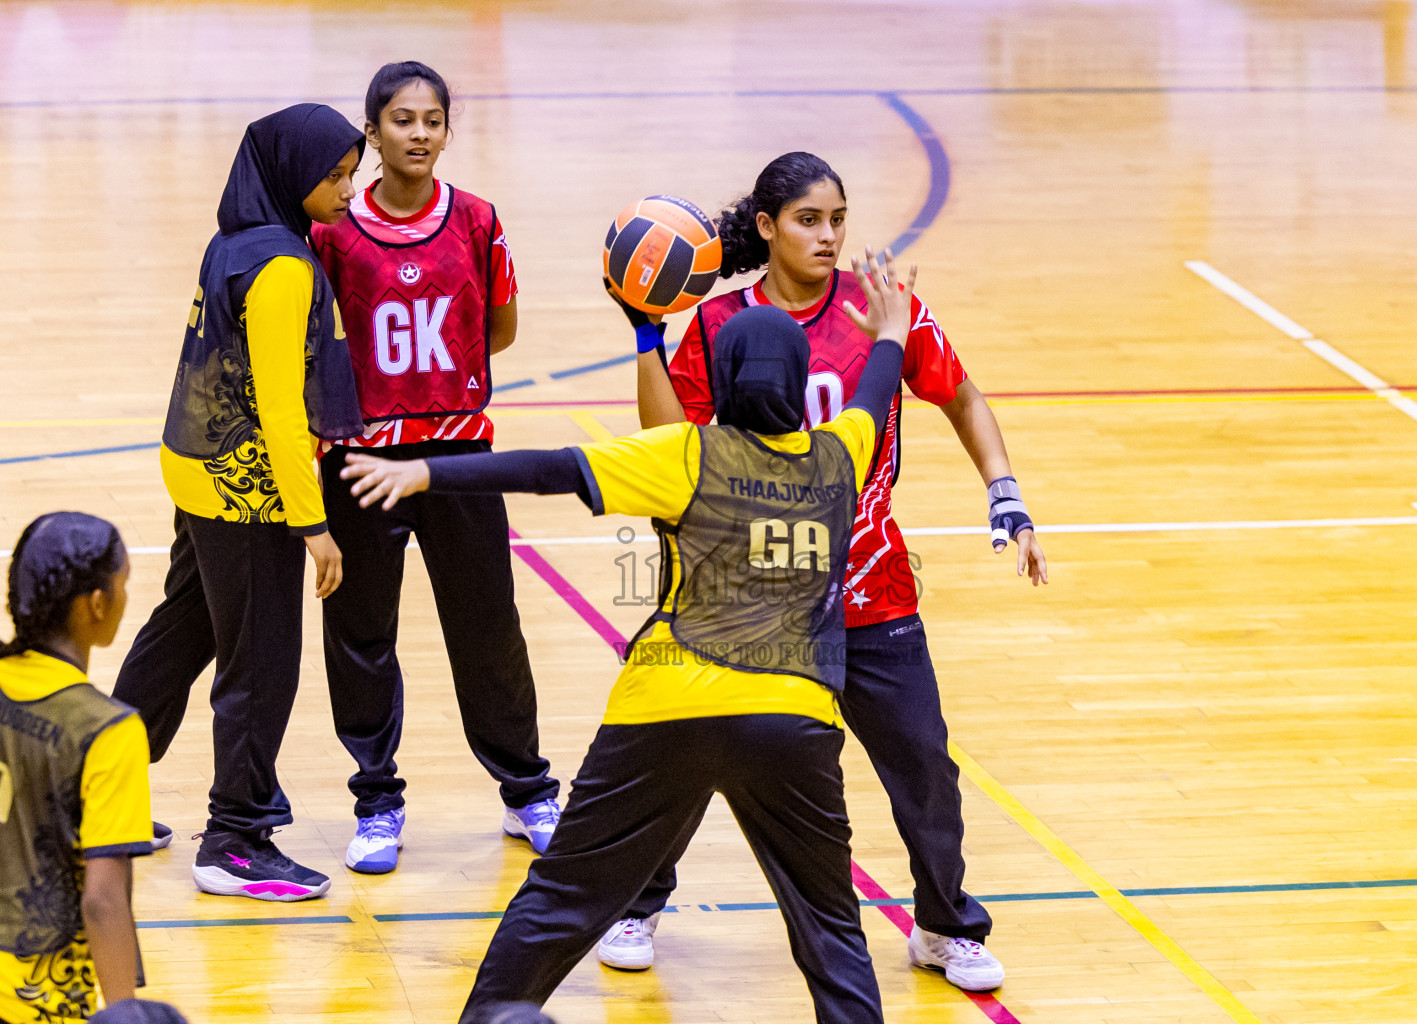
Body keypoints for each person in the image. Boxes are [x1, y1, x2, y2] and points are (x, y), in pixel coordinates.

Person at [341, 251, 917, 1024]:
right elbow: (875, 391)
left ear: (728, 377)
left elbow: (549, 468)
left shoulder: (685, 453)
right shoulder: (840, 454)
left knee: (561, 899)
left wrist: (426, 475)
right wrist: (891, 327)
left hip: (665, 708)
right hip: (794, 719)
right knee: (831, 927)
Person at [620, 152, 1047, 992]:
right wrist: (646, 338)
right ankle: (640, 902)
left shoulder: (882, 311)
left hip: (870, 588)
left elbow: (960, 393)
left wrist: (1004, 490)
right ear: (769, 227)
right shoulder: (719, 324)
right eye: (809, 220)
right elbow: (669, 444)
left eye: (838, 219)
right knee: (691, 757)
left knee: (924, 763)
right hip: (754, 600)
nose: (828, 236)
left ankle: (943, 925)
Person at [110, 104, 366, 901]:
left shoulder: (233, 241)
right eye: (334, 177)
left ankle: (89, 792)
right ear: (293, 176)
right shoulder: (285, 268)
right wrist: (314, 525)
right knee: (260, 662)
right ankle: (236, 836)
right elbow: (284, 411)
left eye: (352, 173)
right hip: (246, 490)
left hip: (194, 470)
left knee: (182, 631)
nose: (348, 191)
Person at [309, 61, 558, 874]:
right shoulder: (333, 231)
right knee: (361, 631)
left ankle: (526, 790)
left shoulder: (478, 219)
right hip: (361, 454)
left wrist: (441, 379)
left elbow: (502, 327)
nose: (419, 133)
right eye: (402, 119)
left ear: (448, 129)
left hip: (459, 455)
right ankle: (377, 800)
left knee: (489, 625)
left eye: (433, 120)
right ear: (372, 131)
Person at [0, 512, 152, 1021]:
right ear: (97, 603)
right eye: (123, 585)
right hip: (39, 1002)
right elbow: (103, 902)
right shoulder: (108, 731)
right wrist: (126, 1013)